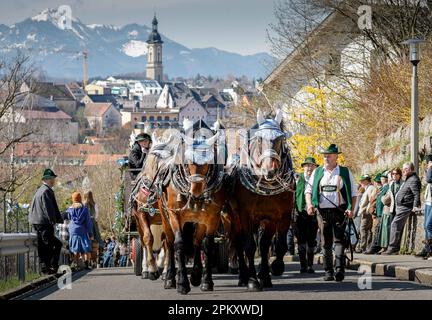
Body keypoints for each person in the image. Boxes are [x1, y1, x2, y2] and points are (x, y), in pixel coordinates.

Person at [305, 144, 357, 282]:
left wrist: (351, 208)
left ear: (336, 157)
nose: (326, 158)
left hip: (340, 211)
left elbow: (353, 193)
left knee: (339, 241)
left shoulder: (345, 172)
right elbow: (308, 191)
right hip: (322, 212)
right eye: (324, 156)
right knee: (326, 242)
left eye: (329, 155)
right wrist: (310, 204)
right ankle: (328, 271)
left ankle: (339, 270)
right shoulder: (317, 172)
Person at [29, 169, 63, 275]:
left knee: (43, 245)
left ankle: (46, 267)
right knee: (53, 244)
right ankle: (51, 266)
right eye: (52, 179)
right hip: (44, 222)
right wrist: (53, 221)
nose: (54, 181)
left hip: (37, 221)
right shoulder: (46, 191)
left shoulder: (39, 190)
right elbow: (48, 208)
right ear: (47, 179)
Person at [383, 162, 421, 255]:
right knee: (396, 226)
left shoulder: (413, 180)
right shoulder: (408, 179)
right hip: (401, 206)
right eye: (403, 168)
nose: (404, 170)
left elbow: (416, 194)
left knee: (394, 225)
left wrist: (415, 206)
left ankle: (392, 247)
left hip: (405, 206)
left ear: (411, 170)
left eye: (406, 169)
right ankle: (395, 247)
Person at [294, 156, 318, 273]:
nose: (309, 167)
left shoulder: (318, 179)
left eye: (311, 165)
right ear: (303, 167)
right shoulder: (298, 178)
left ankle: (310, 265)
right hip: (300, 213)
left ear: (315, 167)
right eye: (307, 165)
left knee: (311, 240)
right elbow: (292, 196)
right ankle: (303, 265)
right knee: (301, 240)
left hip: (313, 214)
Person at [67, 192, 93, 270]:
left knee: (75, 248)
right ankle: (87, 264)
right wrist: (90, 233)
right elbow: (88, 222)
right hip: (82, 230)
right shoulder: (85, 209)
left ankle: (76, 264)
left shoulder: (69, 210)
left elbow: (68, 218)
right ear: (80, 199)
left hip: (73, 230)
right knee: (85, 247)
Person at [365, 172, 389, 254]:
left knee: (377, 230)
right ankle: (374, 247)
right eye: (381, 179)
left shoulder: (385, 188)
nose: (380, 181)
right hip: (378, 212)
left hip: (382, 212)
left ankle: (375, 247)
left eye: (382, 179)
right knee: (376, 230)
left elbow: (378, 200)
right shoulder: (382, 189)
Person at [379, 168, 402, 253]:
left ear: (399, 175)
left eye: (396, 174)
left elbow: (385, 199)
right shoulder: (391, 184)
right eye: (393, 174)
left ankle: (396, 247)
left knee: (397, 229)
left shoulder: (402, 184)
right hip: (392, 209)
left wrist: (382, 198)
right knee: (392, 228)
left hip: (399, 209)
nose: (394, 176)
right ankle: (392, 247)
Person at [356, 174, 376, 253]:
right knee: (366, 229)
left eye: (362, 181)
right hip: (365, 212)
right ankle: (365, 246)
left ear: (366, 181)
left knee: (363, 229)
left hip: (366, 213)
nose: (361, 183)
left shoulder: (370, 188)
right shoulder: (367, 188)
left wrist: (367, 210)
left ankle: (363, 246)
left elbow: (371, 200)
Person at [83, 191, 104, 265]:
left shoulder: (83, 204)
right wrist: (94, 219)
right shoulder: (94, 204)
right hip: (93, 222)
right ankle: (100, 252)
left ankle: (87, 259)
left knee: (87, 239)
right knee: (97, 238)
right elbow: (97, 215)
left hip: (86, 223)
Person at [418, 156, 432, 258]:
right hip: (428, 202)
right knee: (425, 226)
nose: (427, 165)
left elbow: (428, 179)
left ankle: (430, 249)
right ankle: (427, 249)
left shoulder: (430, 171)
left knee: (428, 225)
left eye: (428, 163)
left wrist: (430, 168)